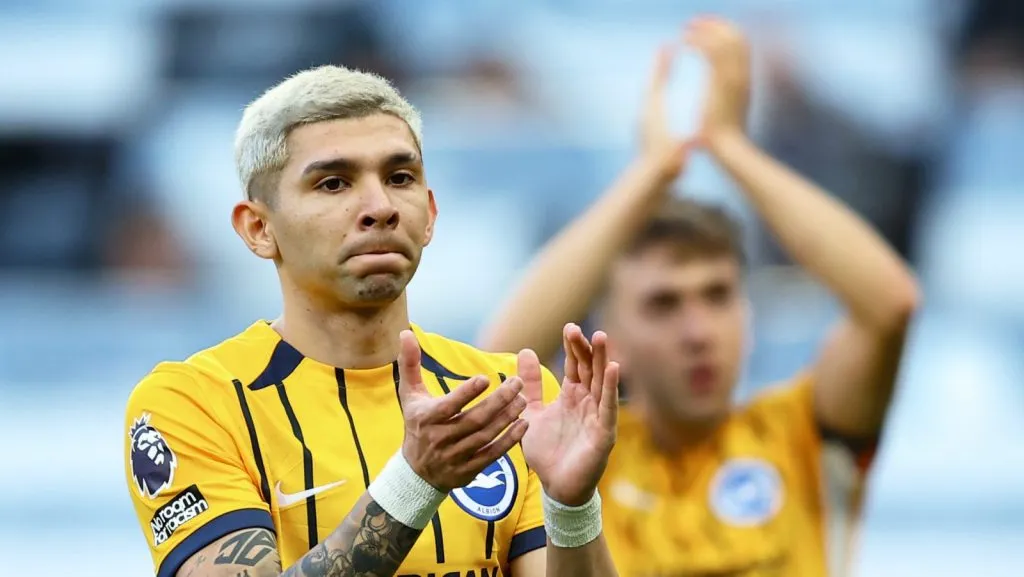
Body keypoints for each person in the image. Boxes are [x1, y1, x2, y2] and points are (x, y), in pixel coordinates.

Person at [123, 65, 623, 577]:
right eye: (334, 183)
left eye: (399, 177)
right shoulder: (193, 404)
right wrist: (416, 482)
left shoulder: (507, 396)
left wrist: (572, 507)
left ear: (428, 214)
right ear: (258, 228)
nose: (380, 207)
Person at [479, 17, 920, 577]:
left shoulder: (800, 434)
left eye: (717, 296)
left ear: (748, 315)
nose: (698, 331)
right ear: (611, 342)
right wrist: (651, 175)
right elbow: (498, 361)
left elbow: (889, 305)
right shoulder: (576, 457)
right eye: (663, 304)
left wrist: (731, 148)